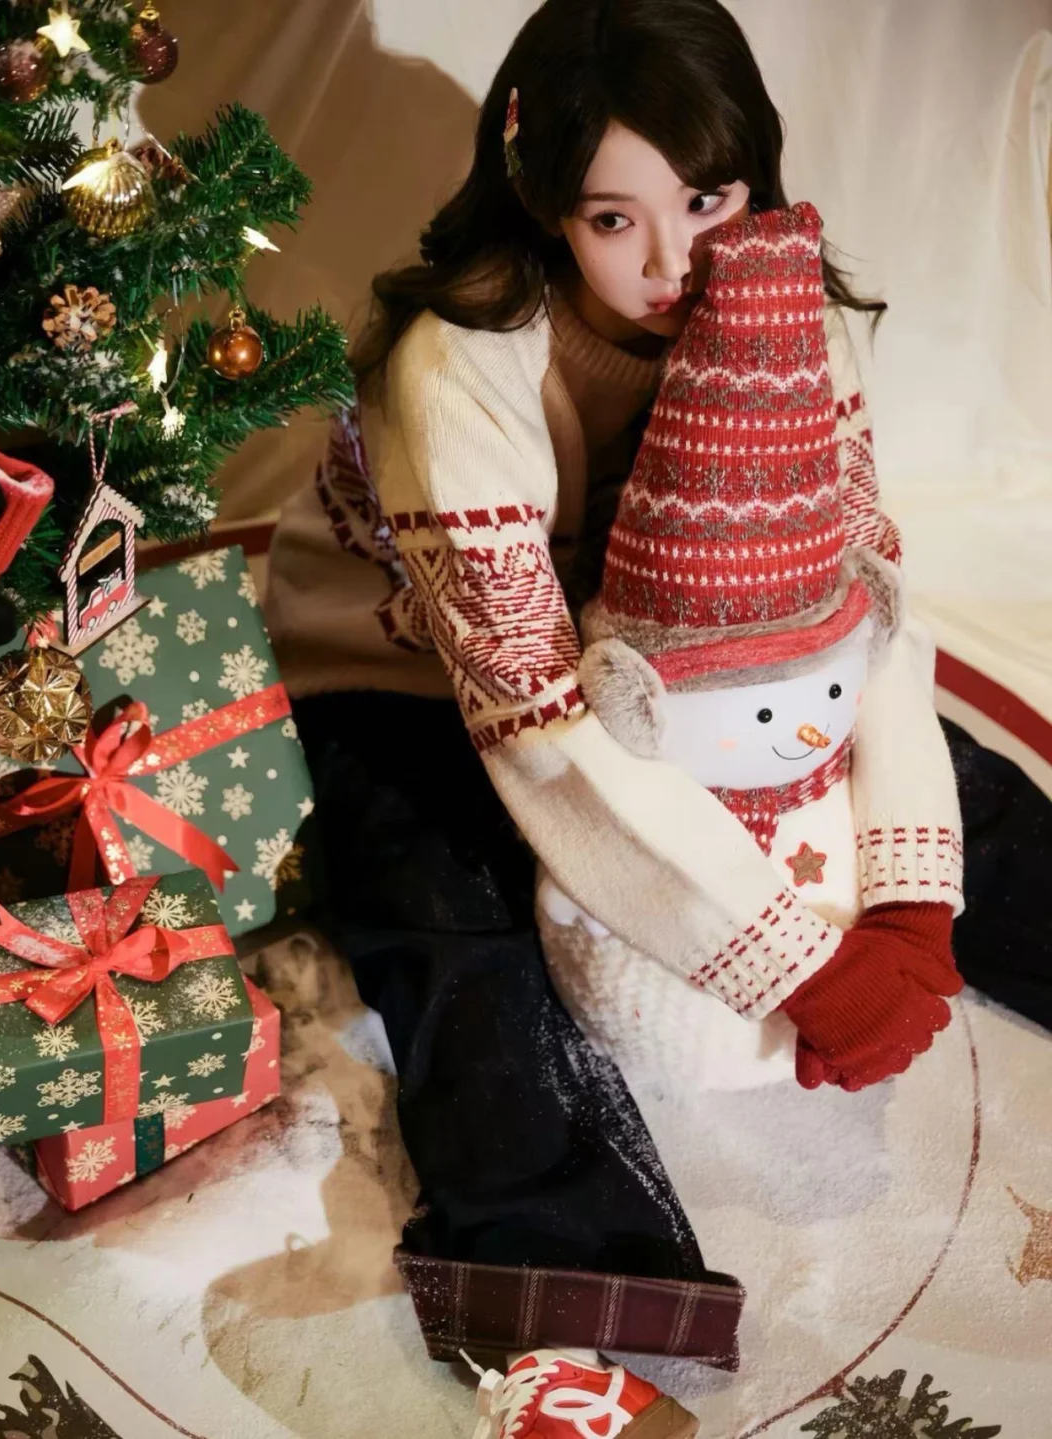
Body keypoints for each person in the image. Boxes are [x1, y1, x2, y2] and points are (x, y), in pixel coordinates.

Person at [266, 0, 1049, 1431]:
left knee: (958, 787)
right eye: (613, 219)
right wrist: (797, 962)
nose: (671, 263)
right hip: (421, 676)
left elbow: (862, 613)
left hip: (686, 667)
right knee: (453, 918)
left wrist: (907, 897)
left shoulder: (797, 316)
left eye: (707, 202)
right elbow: (537, 727)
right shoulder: (464, 358)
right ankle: (569, 1303)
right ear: (541, 201)